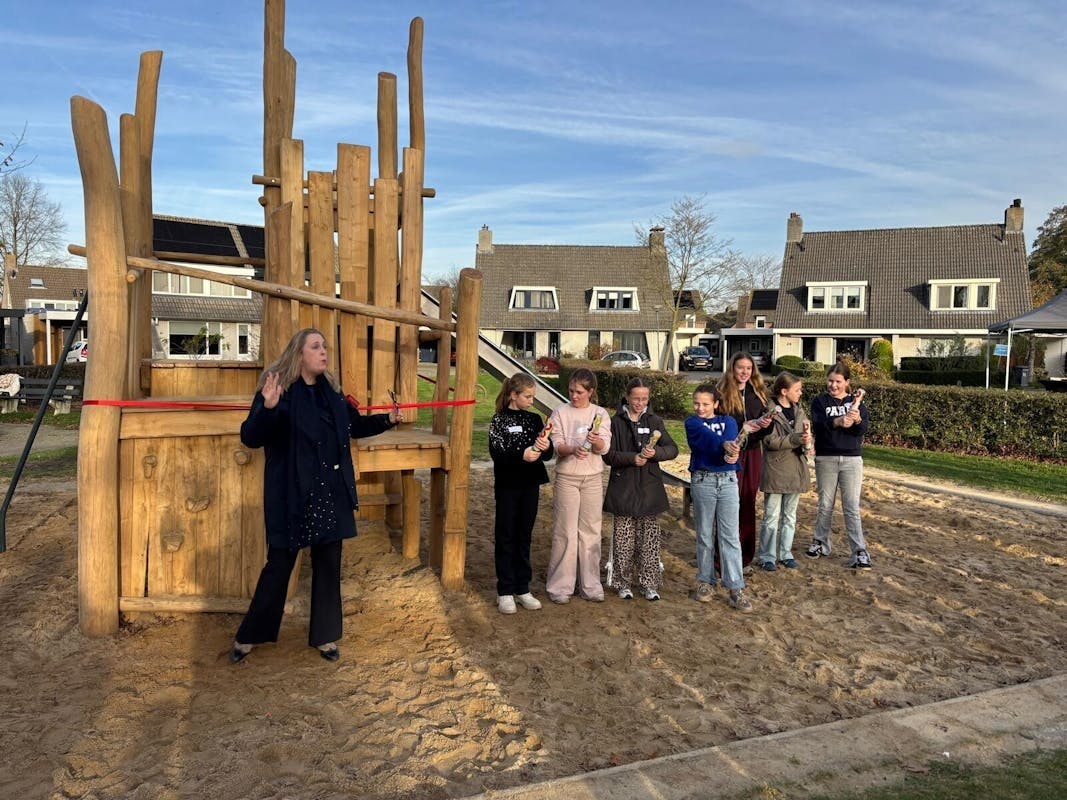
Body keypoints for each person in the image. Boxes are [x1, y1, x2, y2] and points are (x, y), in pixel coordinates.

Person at [230, 328, 402, 664]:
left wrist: (387, 420)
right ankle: (249, 636)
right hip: (291, 496)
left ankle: (325, 637)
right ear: (299, 354)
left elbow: (354, 426)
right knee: (279, 566)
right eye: (316, 346)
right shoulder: (279, 391)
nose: (323, 352)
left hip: (330, 492)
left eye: (324, 346)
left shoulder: (332, 393)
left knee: (328, 565)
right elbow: (250, 437)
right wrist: (267, 407)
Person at [603, 377, 679, 601]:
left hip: (649, 488)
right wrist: (631, 458)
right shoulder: (615, 422)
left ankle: (649, 583)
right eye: (636, 398)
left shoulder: (655, 420)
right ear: (627, 397)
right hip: (624, 487)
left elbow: (672, 448)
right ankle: (622, 582)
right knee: (623, 539)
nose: (640, 403)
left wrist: (656, 454)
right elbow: (608, 455)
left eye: (644, 398)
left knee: (650, 541)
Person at [488, 373, 554, 615]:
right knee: (506, 535)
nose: (531, 400)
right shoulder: (499, 420)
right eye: (527, 396)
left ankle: (522, 587)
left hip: (530, 484)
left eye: (533, 396)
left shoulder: (535, 419)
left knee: (524, 535)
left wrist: (547, 447)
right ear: (513, 395)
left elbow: (547, 454)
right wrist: (521, 456)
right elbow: (497, 453)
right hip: (507, 485)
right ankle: (504, 590)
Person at [546, 367, 612, 604]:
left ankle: (590, 584)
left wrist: (596, 442)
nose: (574, 396)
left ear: (590, 392)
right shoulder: (560, 412)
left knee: (591, 532)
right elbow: (557, 445)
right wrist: (573, 449)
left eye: (579, 392)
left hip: (593, 478)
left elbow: (604, 448)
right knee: (565, 532)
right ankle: (560, 586)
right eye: (572, 391)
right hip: (567, 478)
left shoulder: (600, 414)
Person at [685, 384, 753, 613]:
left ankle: (735, 587)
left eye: (705, 404)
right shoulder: (692, 423)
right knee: (704, 533)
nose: (700, 408)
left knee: (730, 535)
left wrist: (733, 450)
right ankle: (705, 581)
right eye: (697, 403)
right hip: (703, 480)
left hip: (727, 481)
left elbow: (730, 443)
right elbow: (705, 440)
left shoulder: (730, 422)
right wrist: (725, 445)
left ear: (715, 403)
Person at [805, 362, 872, 569]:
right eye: (830, 380)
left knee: (851, 506)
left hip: (851, 459)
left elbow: (861, 430)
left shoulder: (856, 402)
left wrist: (857, 419)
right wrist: (837, 421)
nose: (833, 385)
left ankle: (859, 550)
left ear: (847, 382)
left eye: (838, 381)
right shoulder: (820, 402)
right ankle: (820, 542)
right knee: (825, 504)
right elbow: (819, 426)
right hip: (826, 458)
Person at [717, 352, 773, 570]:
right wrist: (741, 429)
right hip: (730, 453)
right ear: (732, 368)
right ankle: (721, 558)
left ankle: (745, 557)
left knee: (747, 502)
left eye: (748, 368)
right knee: (728, 504)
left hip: (752, 454)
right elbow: (719, 426)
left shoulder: (757, 394)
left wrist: (765, 425)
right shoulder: (721, 394)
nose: (744, 372)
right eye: (740, 368)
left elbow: (763, 432)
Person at [757, 372, 811, 571]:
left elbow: (805, 435)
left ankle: (785, 553)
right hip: (776, 470)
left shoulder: (799, 411)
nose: (800, 393)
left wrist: (807, 442)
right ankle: (767, 556)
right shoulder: (770, 412)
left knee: (790, 516)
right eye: (797, 390)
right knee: (771, 516)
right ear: (784, 391)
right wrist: (796, 439)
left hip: (796, 470)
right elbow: (769, 441)